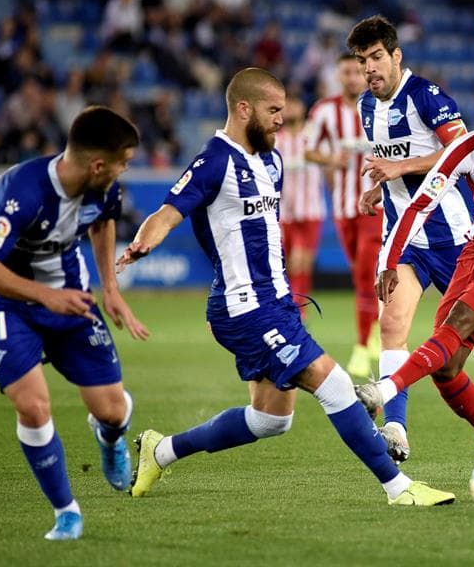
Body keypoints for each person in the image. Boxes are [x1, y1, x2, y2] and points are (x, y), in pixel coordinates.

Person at [117, 67, 455, 507]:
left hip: (275, 304)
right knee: (334, 385)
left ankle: (160, 451)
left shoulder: (272, 161)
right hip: (245, 308)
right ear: (244, 109)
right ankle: (400, 488)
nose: (283, 118)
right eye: (273, 111)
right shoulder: (214, 160)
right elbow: (168, 211)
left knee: (270, 420)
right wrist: (145, 240)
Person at [347, 16, 474, 463]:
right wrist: (380, 186)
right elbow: (391, 162)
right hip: (405, 237)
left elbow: (463, 150)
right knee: (392, 327)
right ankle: (395, 428)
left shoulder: (427, 97)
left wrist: (401, 168)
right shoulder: (366, 107)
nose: (370, 69)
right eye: (362, 61)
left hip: (455, 237)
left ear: (396, 56)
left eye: (377, 57)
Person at [0, 106, 150, 541]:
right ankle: (67, 511)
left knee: (112, 409)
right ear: (98, 163)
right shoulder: (20, 192)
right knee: (33, 406)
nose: (124, 171)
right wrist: (46, 296)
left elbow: (102, 225)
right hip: (6, 304)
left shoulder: (104, 189)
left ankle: (109, 436)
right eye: (122, 162)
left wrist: (110, 288)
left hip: (71, 300)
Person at [303, 53, 381, 378]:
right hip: (342, 206)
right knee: (360, 273)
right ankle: (374, 324)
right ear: (338, 75)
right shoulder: (324, 110)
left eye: (356, 72)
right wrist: (328, 159)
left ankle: (362, 347)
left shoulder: (381, 107)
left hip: (374, 206)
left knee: (364, 273)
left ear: (365, 74)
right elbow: (307, 148)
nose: (351, 78)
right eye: (345, 72)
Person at [276, 95, 325, 318]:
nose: (292, 108)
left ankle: (298, 309)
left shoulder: (313, 136)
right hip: (286, 211)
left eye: (295, 103)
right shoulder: (277, 140)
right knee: (290, 262)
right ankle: (292, 307)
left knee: (303, 261)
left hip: (311, 209)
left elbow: (328, 164)